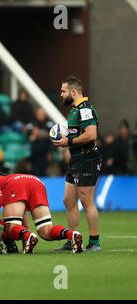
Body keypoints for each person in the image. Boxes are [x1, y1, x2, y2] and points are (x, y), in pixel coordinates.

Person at [53, 76, 102, 252]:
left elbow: (91, 135)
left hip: (87, 159)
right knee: (68, 200)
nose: (61, 94)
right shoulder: (74, 111)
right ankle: (74, 239)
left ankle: (94, 242)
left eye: (63, 91)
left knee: (86, 200)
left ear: (74, 92)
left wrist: (69, 143)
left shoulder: (85, 110)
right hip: (76, 160)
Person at [0, 174, 83, 254]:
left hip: (15, 185)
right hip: (36, 181)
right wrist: (26, 243)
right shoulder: (6, 178)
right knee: (45, 231)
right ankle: (71, 234)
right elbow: (25, 224)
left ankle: (27, 236)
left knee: (10, 228)